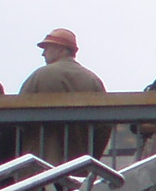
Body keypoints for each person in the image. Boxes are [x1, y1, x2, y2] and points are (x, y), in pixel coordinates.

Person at [18, 28, 108, 162]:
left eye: (47, 48)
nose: (43, 54)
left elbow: (18, 114)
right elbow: (104, 127)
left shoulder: (40, 75)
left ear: (61, 49)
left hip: (40, 165)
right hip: (79, 166)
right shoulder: (92, 80)